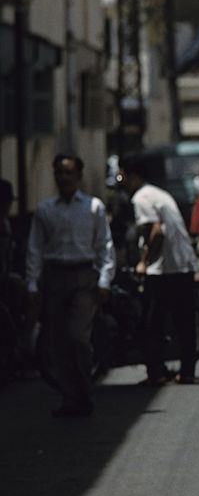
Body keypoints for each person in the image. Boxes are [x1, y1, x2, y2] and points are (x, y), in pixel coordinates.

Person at [25, 155, 115, 417]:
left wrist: (105, 280)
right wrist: (32, 283)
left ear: (78, 176)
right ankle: (70, 398)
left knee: (78, 338)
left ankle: (84, 391)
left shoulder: (93, 207)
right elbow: (35, 248)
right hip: (55, 277)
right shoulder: (45, 210)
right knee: (58, 342)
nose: (64, 178)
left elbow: (104, 246)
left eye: (69, 173)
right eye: (59, 173)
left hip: (83, 277)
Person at [120, 157, 199, 386]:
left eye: (121, 176)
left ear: (132, 176)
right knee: (183, 321)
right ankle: (187, 371)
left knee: (152, 321)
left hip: (165, 268)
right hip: (182, 263)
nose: (121, 182)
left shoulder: (142, 198)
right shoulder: (158, 193)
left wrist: (144, 262)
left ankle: (156, 371)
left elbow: (156, 231)